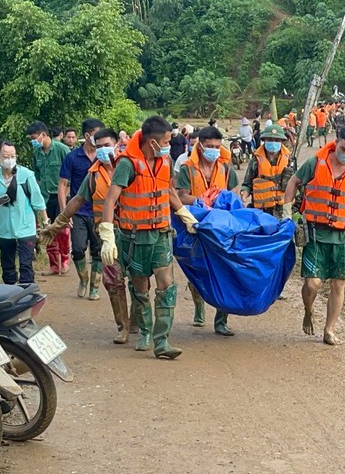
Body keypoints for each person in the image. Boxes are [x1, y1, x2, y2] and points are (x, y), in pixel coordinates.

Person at [100, 116, 200, 359]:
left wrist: (185, 215)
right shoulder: (128, 164)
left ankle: (162, 340)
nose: (169, 145)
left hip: (161, 233)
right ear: (152, 142)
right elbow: (111, 199)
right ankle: (144, 331)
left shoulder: (164, 161)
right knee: (140, 287)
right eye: (165, 141)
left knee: (166, 284)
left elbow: (167, 191)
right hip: (134, 237)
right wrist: (107, 234)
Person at [282, 126, 345, 346]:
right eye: (344, 149)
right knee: (312, 284)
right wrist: (287, 212)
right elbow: (293, 183)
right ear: (336, 142)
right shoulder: (315, 164)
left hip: (343, 237)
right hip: (316, 234)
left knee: (339, 285)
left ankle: (329, 329)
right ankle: (308, 310)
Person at [41, 129, 142, 344]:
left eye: (107, 144)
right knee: (113, 281)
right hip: (107, 235)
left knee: (138, 280)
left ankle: (136, 320)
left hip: (134, 233)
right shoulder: (94, 174)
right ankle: (122, 327)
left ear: (117, 144)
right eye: (98, 147)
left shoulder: (132, 166)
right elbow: (77, 200)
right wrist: (58, 224)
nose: (103, 150)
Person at [175, 126, 240, 336]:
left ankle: (221, 319)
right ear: (200, 146)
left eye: (217, 147)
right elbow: (181, 196)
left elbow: (235, 195)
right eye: (210, 146)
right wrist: (203, 201)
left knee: (225, 270)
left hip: (222, 228)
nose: (214, 151)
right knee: (198, 268)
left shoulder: (226, 168)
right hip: (197, 225)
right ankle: (199, 307)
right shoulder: (187, 168)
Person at [0, 141, 47, 285]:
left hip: (26, 228)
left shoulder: (27, 175)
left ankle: (27, 296)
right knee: (7, 267)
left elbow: (38, 201)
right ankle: (11, 297)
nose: (9, 159)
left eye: (12, 156)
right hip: (3, 230)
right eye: (5, 156)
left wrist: (46, 222)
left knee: (26, 265)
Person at [59, 118, 105, 299]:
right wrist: (64, 213)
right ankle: (83, 278)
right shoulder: (72, 157)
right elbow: (63, 185)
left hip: (101, 212)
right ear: (87, 136)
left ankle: (95, 286)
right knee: (78, 249)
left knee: (99, 250)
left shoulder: (105, 158)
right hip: (78, 211)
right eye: (96, 135)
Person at [28, 121, 71, 275]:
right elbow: (37, 175)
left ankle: (65, 261)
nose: (33, 141)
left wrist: (67, 194)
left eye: (34, 137)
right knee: (48, 230)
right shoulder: (37, 153)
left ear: (43, 135)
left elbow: (72, 173)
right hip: (45, 197)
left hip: (62, 196)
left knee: (62, 230)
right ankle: (54, 265)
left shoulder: (62, 150)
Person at [240, 125, 294, 218]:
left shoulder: (290, 160)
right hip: (262, 212)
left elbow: (296, 183)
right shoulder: (255, 161)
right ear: (264, 140)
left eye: (277, 140)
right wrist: (244, 195)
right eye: (269, 139)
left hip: (283, 210)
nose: (273, 142)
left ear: (282, 141)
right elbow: (247, 184)